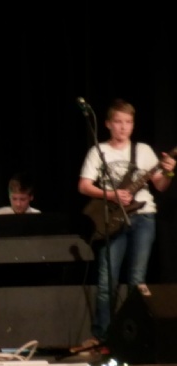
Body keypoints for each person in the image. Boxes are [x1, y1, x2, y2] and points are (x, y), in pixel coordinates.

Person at [78, 98, 176, 347]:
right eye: (118, 122)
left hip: (143, 217)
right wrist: (112, 195)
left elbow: (161, 186)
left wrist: (169, 171)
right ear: (108, 124)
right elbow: (84, 186)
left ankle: (136, 338)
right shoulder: (98, 151)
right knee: (106, 281)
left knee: (137, 280)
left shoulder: (143, 151)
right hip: (112, 219)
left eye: (128, 122)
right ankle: (101, 337)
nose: (123, 127)